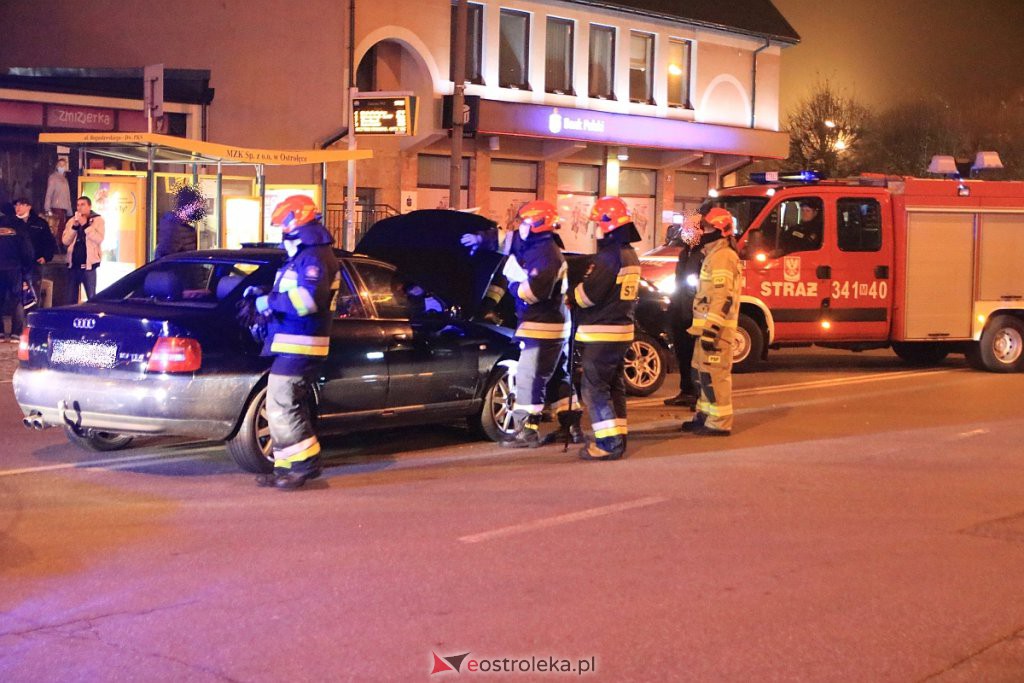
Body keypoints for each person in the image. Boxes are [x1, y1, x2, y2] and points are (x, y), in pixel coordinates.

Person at [248, 195, 340, 490]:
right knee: (281, 403)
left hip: (302, 341)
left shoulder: (313, 256)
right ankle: (285, 467)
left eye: (285, 223)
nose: (282, 231)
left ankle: (305, 465)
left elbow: (309, 300)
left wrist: (268, 300)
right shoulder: (305, 254)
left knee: (282, 402)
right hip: (293, 341)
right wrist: (262, 292)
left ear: (297, 220)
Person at [499, 200, 576, 449]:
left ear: (537, 223)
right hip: (553, 325)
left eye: (524, 221)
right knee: (556, 378)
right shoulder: (541, 246)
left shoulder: (545, 253)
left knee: (529, 378)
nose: (520, 225)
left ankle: (527, 431)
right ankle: (570, 426)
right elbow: (506, 240)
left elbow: (535, 292)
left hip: (542, 326)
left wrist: (512, 284)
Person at [570, 196, 642, 461]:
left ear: (608, 224)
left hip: (601, 331)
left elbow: (588, 296)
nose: (595, 229)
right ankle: (618, 436)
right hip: (621, 329)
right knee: (614, 386)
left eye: (598, 223)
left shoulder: (609, 257)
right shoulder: (630, 254)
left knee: (593, 388)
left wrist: (572, 291)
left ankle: (608, 443)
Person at [682, 207, 743, 437]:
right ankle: (705, 415)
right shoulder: (714, 254)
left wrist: (712, 330)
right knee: (702, 374)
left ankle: (719, 422)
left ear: (719, 230)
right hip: (705, 330)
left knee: (715, 377)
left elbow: (723, 297)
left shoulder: (723, 257)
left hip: (717, 332)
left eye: (707, 228)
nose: (703, 231)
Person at [663, 215, 705, 407]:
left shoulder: (702, 254)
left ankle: (696, 393)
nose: (686, 233)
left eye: (690, 229)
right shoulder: (685, 254)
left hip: (693, 312)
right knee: (682, 353)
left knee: (694, 357)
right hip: (680, 310)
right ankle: (686, 389)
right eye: (685, 229)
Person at [11, 197, 58, 304]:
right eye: (16, 205)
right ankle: (18, 320)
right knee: (16, 296)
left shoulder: (40, 223)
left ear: (29, 207)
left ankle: (32, 316)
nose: (18, 207)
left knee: (34, 293)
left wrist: (46, 257)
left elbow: (49, 241)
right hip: (15, 264)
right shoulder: (11, 222)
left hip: (34, 263)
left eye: (21, 205)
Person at [62, 196, 105, 303]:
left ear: (89, 206)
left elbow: (98, 239)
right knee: (70, 299)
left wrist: (85, 226)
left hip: (89, 267)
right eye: (78, 205)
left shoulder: (98, 220)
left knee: (91, 298)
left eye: (83, 204)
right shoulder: (72, 221)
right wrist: (75, 227)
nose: (80, 207)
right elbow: (65, 241)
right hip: (73, 266)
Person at [0, 213, 34, 342]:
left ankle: (1, 332)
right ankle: (16, 333)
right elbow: (27, 249)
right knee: (17, 299)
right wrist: (26, 268)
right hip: (14, 268)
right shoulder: (18, 226)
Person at [154, 184, 206, 260]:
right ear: (187, 206)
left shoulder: (183, 227)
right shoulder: (172, 226)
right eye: (195, 206)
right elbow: (165, 255)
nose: (197, 210)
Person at [44, 158, 73, 238]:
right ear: (56, 166)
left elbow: (67, 196)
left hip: (64, 208)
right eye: (60, 165)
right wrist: (47, 209)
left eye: (64, 165)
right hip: (56, 207)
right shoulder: (53, 178)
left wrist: (69, 211)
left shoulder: (64, 179)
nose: (62, 167)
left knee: (62, 229)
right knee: (57, 229)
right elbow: (49, 193)